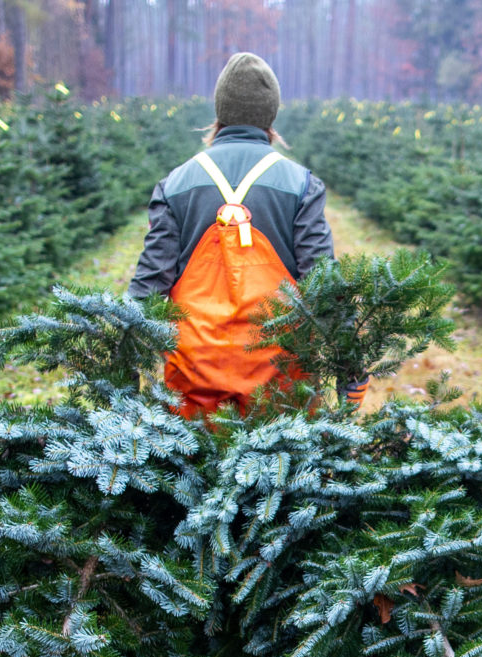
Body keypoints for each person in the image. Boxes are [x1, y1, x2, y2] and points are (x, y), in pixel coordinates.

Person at [128, 53, 338, 418]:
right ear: (271, 115)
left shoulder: (176, 183)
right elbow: (324, 284)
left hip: (194, 380)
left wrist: (120, 365)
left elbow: (149, 284)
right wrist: (352, 368)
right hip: (280, 383)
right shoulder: (301, 184)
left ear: (219, 112)